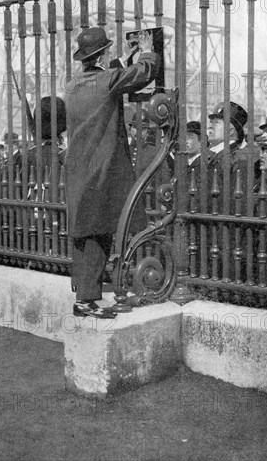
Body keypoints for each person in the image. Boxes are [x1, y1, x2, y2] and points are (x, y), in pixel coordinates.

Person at [64, 27, 160, 319]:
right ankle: (86, 300)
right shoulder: (107, 81)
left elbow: (106, 79)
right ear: (102, 55)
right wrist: (145, 50)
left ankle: (82, 292)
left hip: (79, 169)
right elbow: (143, 73)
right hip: (100, 169)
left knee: (83, 232)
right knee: (98, 232)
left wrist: (120, 58)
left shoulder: (73, 84)